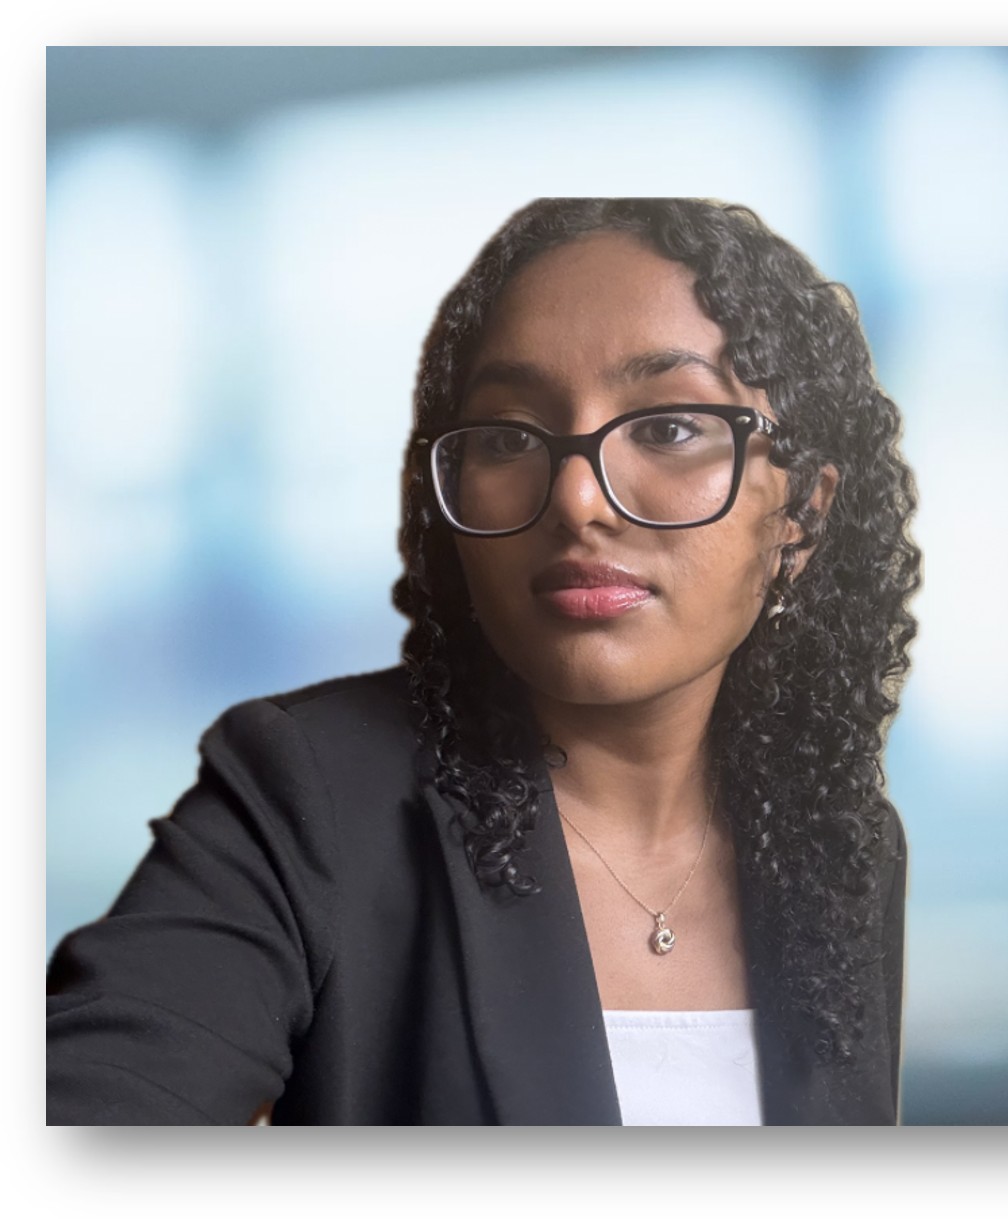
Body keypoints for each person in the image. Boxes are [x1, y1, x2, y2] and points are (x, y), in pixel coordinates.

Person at [46, 197, 920, 1126]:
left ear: (804, 515)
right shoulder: (309, 795)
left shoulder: (836, 845)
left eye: (666, 428)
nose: (576, 499)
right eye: (507, 437)